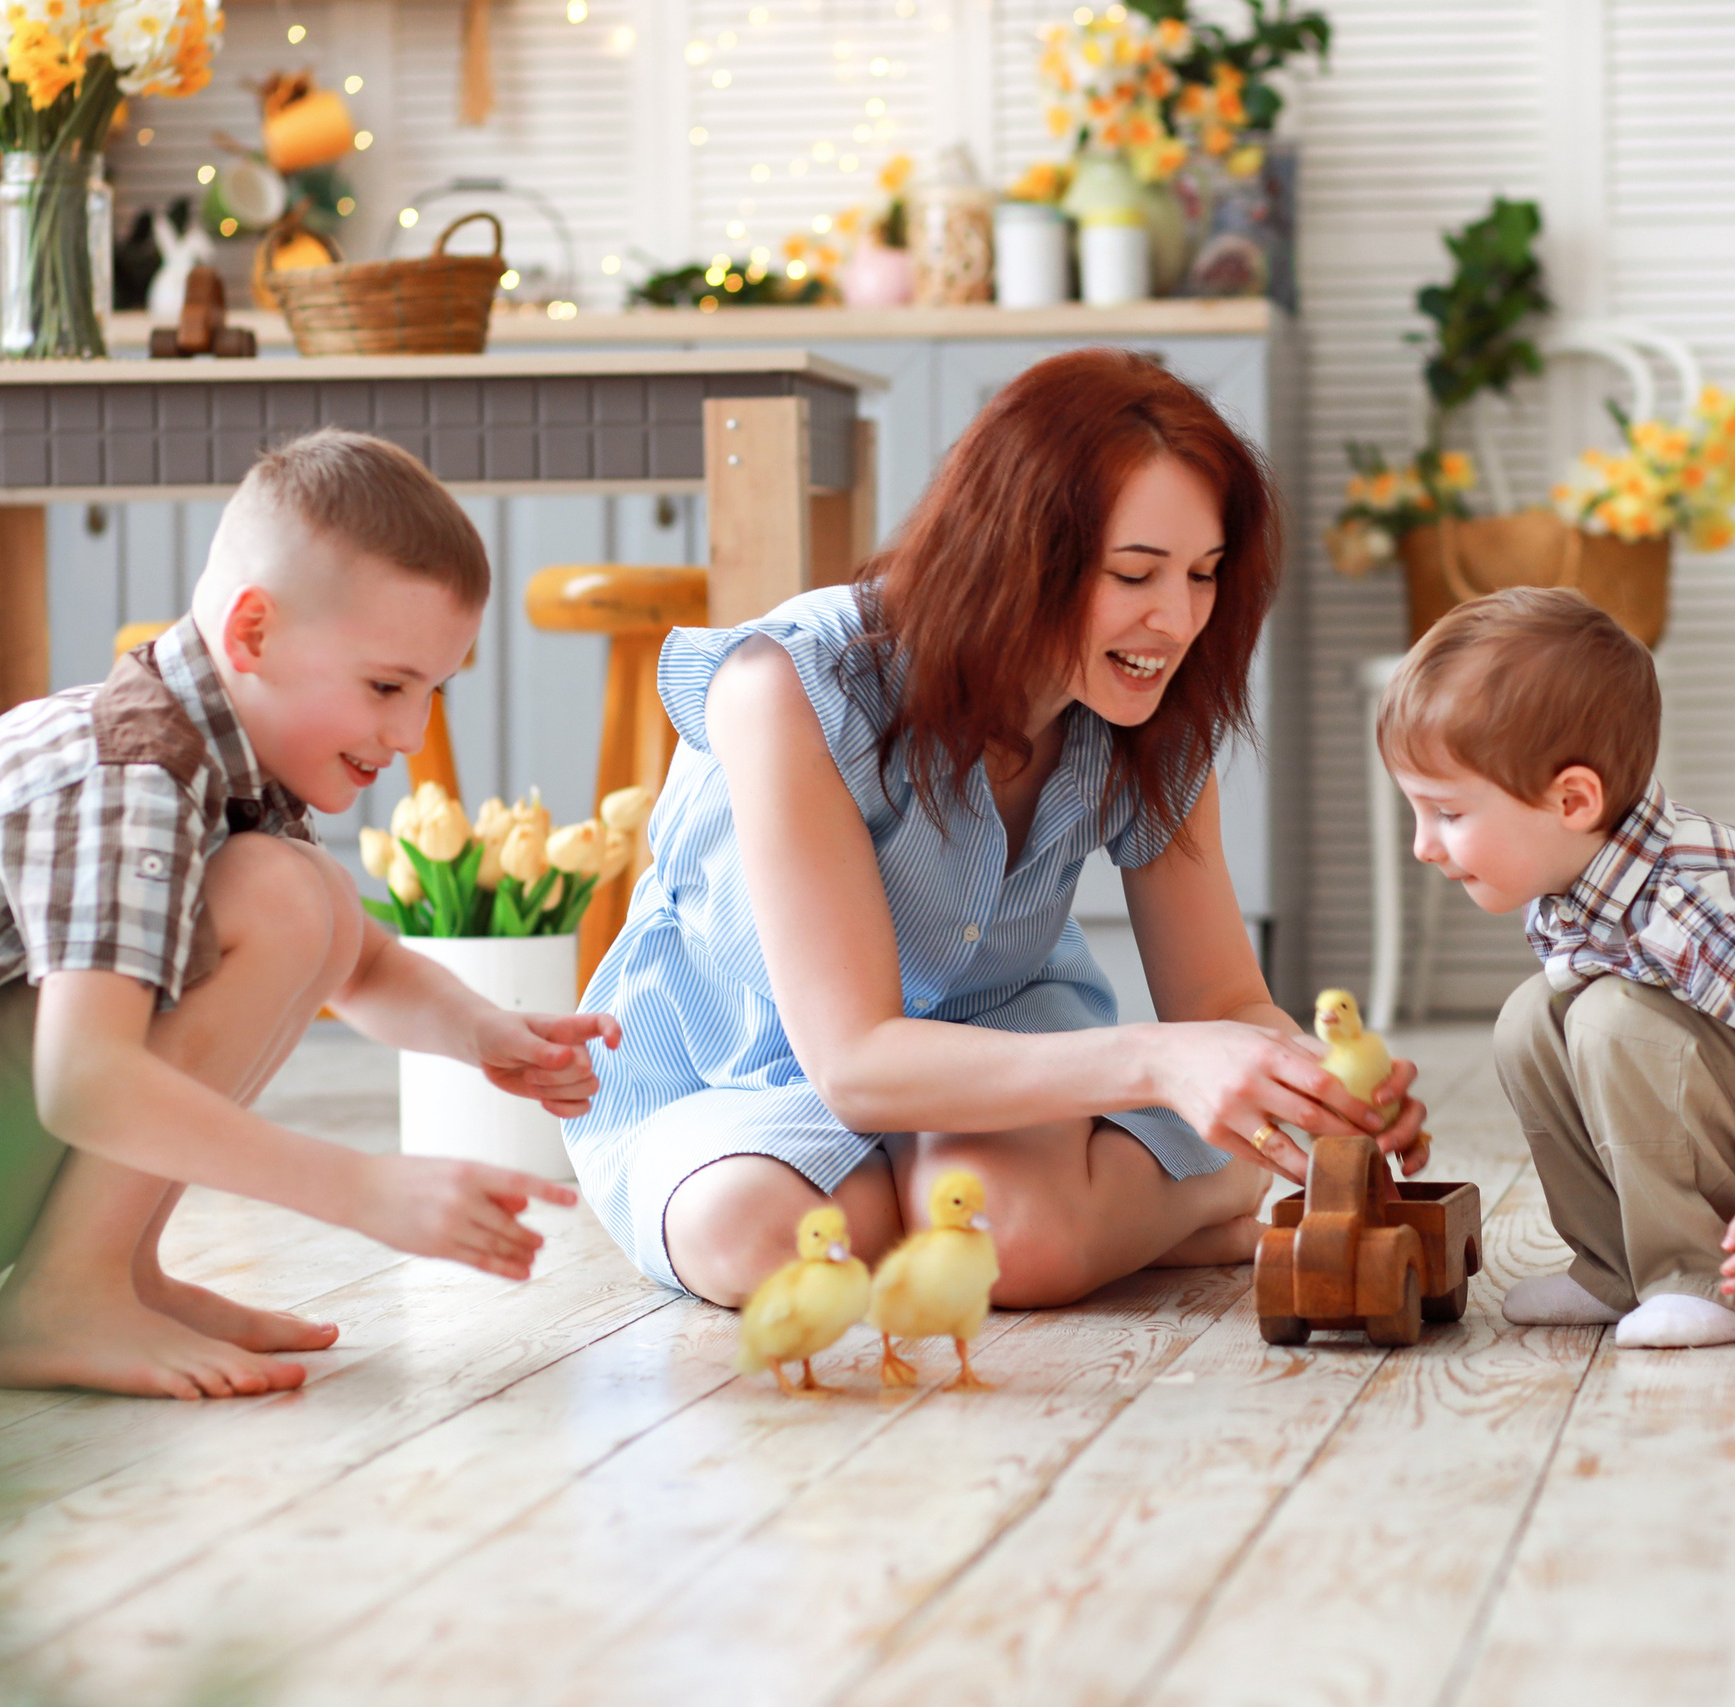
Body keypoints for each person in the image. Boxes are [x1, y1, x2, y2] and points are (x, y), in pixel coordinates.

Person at [0, 428, 617, 1399]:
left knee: (305, 894)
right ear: (254, 634)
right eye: (386, 687)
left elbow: (358, 964)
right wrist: (360, 1189)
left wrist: (488, 1034)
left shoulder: (229, 758)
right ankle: (66, 1296)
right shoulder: (133, 774)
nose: (408, 732)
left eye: (432, 694)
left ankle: (114, 1276)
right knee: (280, 895)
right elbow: (82, 1082)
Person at [568, 348, 1427, 1307]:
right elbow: (854, 1063)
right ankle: (1183, 1204)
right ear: (1017, 553)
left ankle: (1104, 1205)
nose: (1177, 620)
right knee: (754, 1237)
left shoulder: (1152, 718)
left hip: (1011, 1048)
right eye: (1135, 573)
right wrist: (1161, 1059)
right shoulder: (792, 685)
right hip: (754, 1064)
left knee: (1005, 1235)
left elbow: (1222, 996)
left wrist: (1323, 1090)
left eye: (1204, 574)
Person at [1376, 587, 1735, 1348]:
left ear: (1573, 799)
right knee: (1533, 1017)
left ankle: (1711, 1284)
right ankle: (1617, 1266)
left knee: (1612, 1020)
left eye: (1449, 814)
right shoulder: (1574, 878)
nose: (1424, 844)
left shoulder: (1697, 904)